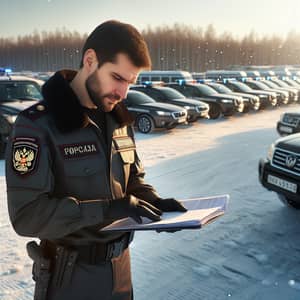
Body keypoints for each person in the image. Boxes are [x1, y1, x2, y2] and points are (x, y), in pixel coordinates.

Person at [5, 20, 187, 300]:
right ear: (90, 60)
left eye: (130, 82)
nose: (123, 93)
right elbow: (27, 216)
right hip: (72, 277)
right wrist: (106, 210)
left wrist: (153, 200)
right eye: (117, 78)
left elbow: (132, 180)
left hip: (121, 270)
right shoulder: (38, 125)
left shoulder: (118, 119)